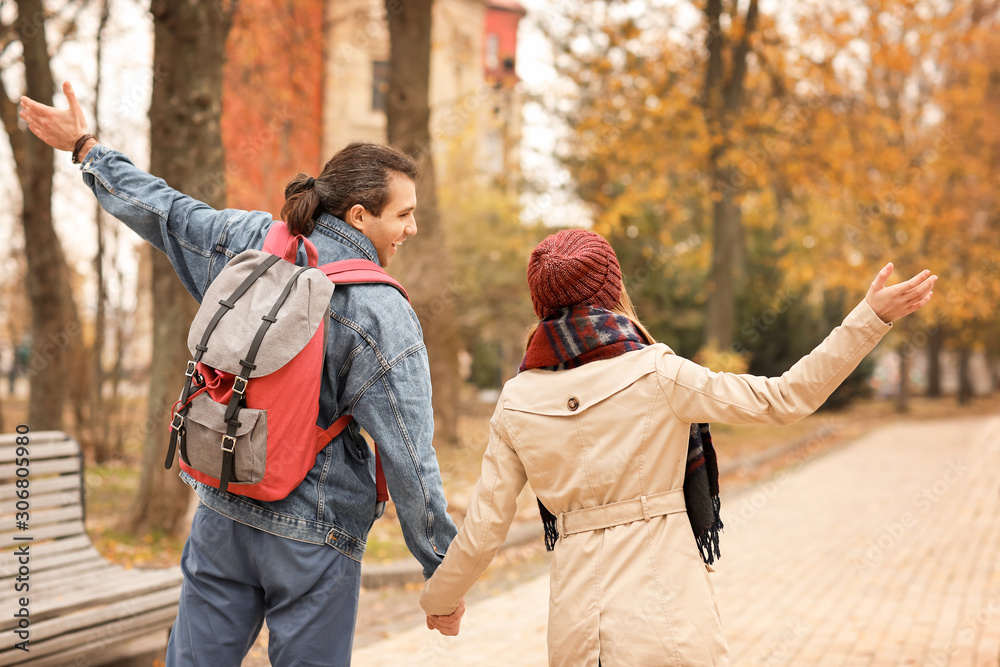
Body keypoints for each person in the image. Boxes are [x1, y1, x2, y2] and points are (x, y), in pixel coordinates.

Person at [20, 82, 462, 665]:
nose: (410, 229)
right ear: (360, 215)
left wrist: (84, 147)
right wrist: (442, 572)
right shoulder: (382, 310)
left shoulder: (251, 242)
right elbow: (409, 455)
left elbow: (167, 212)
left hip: (223, 508)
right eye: (403, 215)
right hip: (316, 532)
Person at [419, 229, 936, 665]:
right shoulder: (657, 373)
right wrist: (869, 319)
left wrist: (440, 599)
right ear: (613, 291)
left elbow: (487, 525)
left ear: (541, 303)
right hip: (665, 620)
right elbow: (786, 397)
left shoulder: (517, 399)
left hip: (576, 630)